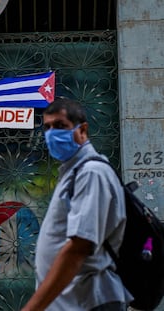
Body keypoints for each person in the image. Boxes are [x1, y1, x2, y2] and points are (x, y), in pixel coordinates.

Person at [21, 97, 133, 311]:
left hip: (89, 301)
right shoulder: (73, 173)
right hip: (72, 303)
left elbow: (79, 248)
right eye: (47, 127)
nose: (52, 134)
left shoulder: (91, 173)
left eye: (61, 126)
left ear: (82, 130)